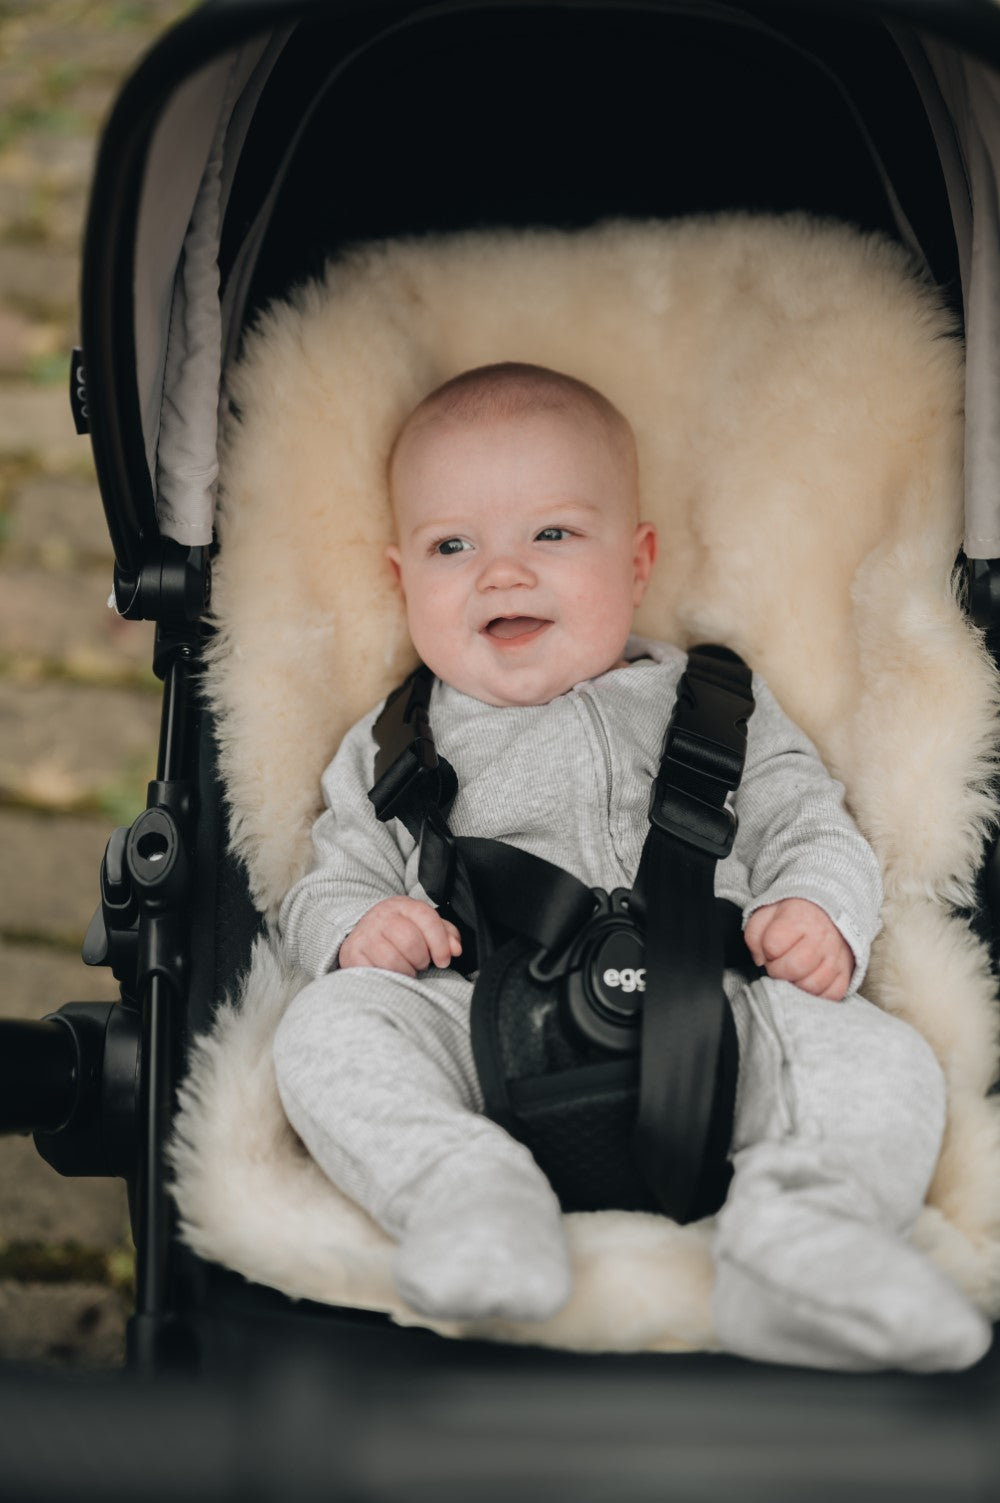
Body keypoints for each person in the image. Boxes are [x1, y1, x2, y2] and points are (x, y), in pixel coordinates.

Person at [273, 362, 991, 1371]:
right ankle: (466, 1198)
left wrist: (815, 908)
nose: (502, 572)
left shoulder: (715, 707)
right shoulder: (397, 743)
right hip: (484, 1031)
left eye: (552, 534)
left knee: (877, 1060)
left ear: (637, 560)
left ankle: (805, 1240)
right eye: (451, 546)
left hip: (725, 1009)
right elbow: (328, 877)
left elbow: (807, 822)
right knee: (327, 1030)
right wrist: (357, 928)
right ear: (401, 581)